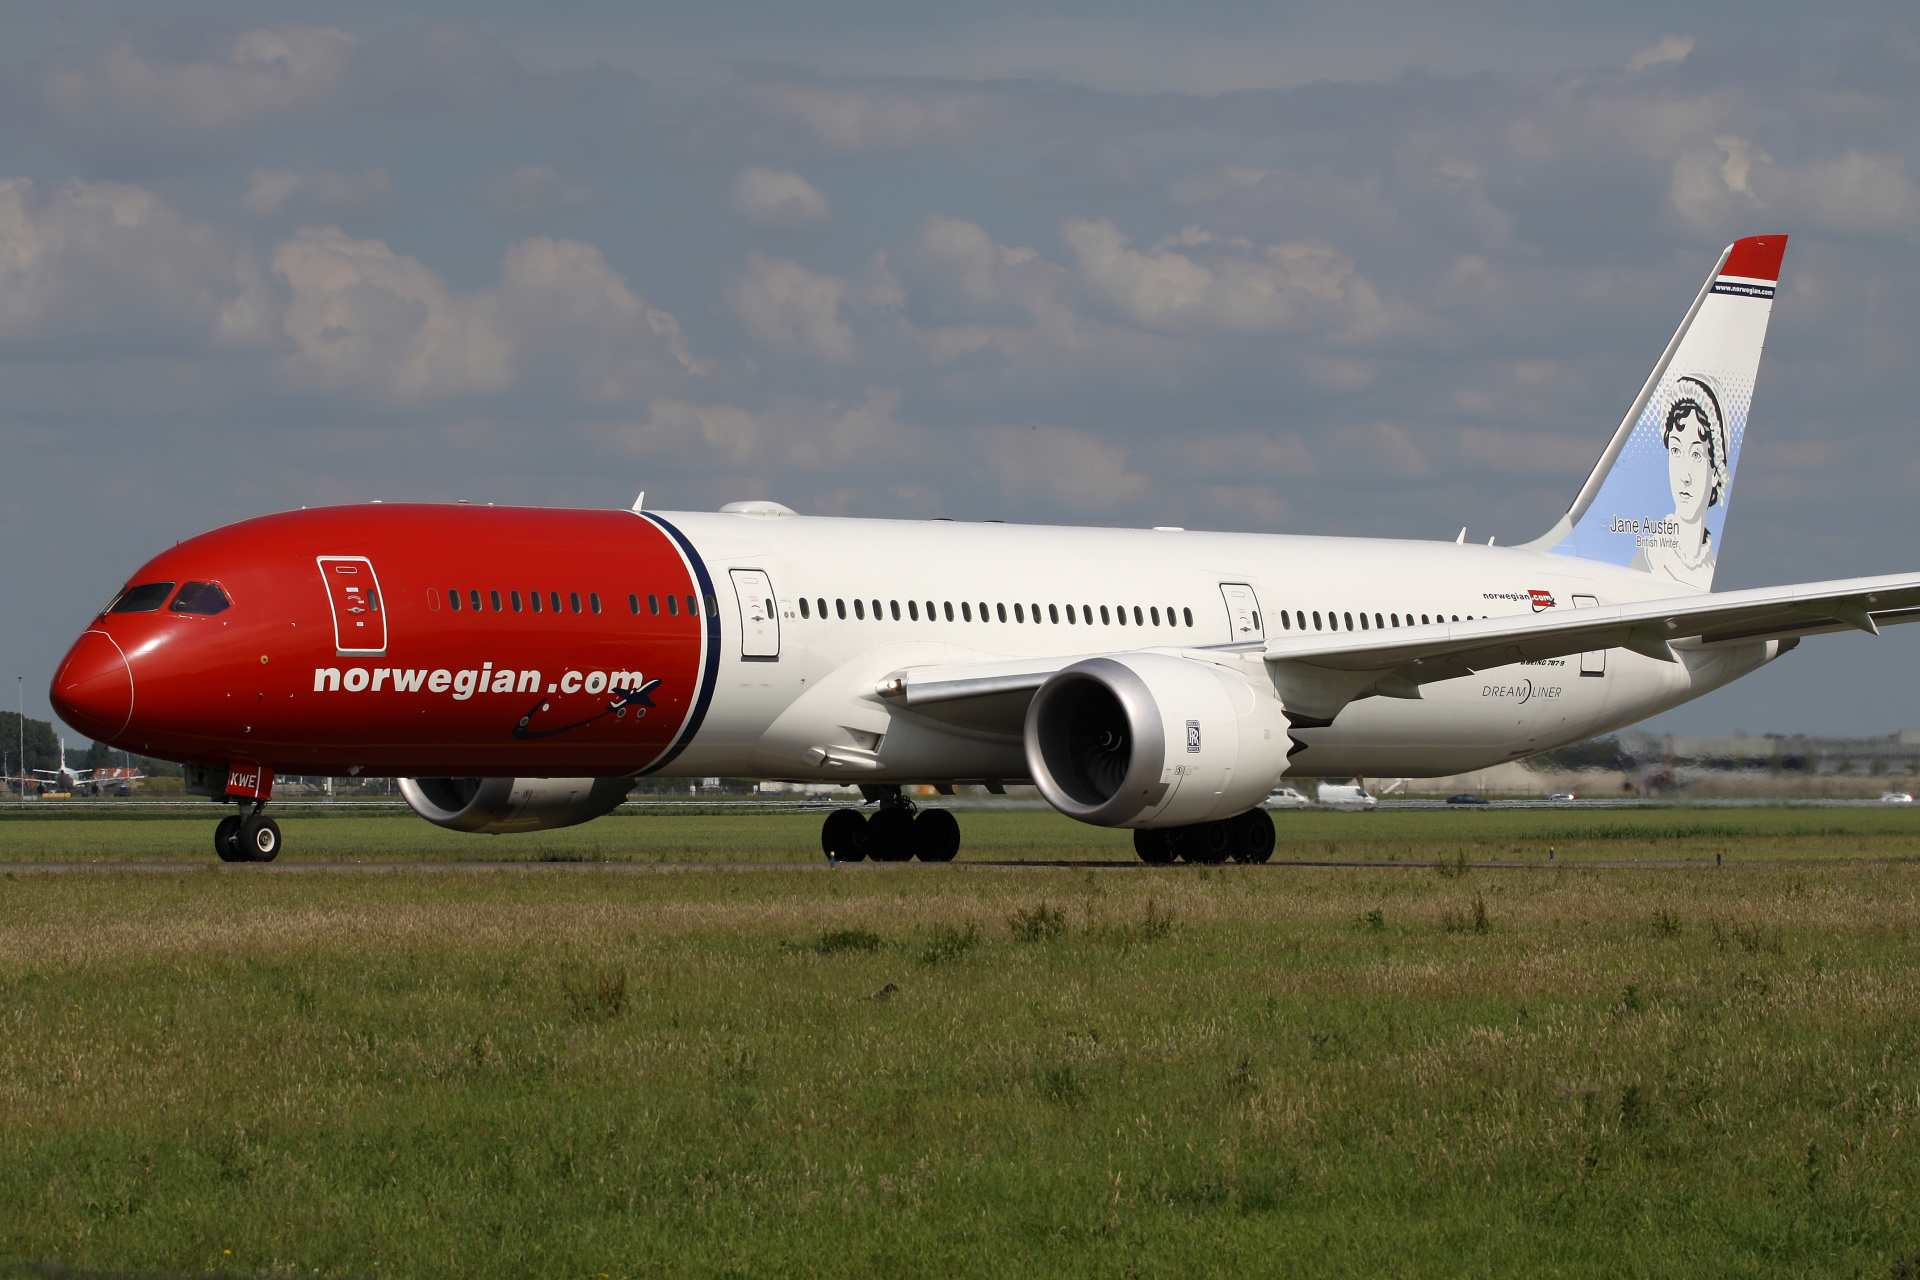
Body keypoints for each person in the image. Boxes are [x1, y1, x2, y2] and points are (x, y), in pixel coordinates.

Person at [1631, 375, 1728, 588]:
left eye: (1695, 455)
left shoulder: (1708, 565)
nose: (1685, 476)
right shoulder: (1648, 558)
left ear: (1715, 472)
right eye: (1675, 451)